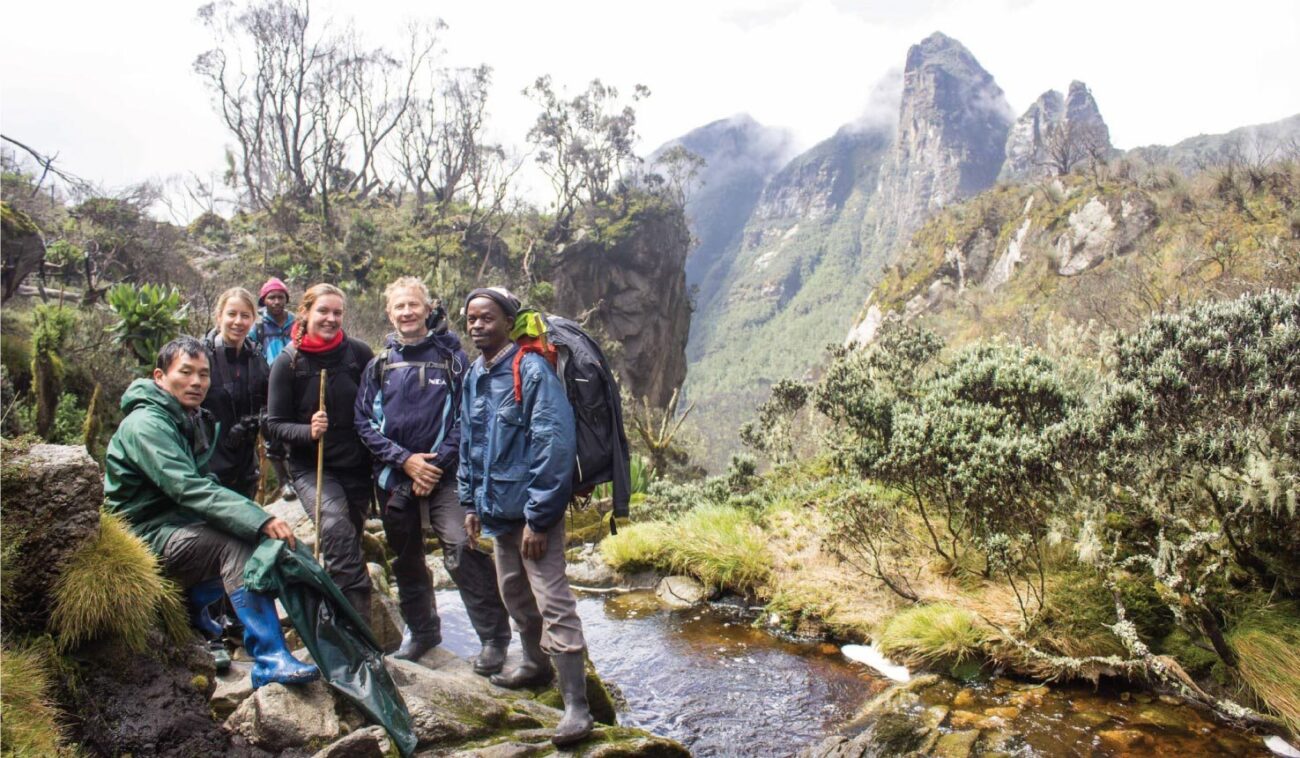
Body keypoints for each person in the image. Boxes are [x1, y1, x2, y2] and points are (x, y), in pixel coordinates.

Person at [103, 336, 318, 689]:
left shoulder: (187, 418)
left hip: (175, 526)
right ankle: (269, 656)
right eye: (185, 373)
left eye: (203, 374)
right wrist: (260, 518)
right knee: (236, 546)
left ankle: (197, 616)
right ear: (159, 376)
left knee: (248, 536)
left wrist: (250, 518)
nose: (197, 382)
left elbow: (204, 480)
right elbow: (187, 488)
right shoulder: (146, 425)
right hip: (140, 536)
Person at [457, 287, 594, 747]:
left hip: (533, 513)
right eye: (472, 319)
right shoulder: (475, 373)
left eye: (487, 318)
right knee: (513, 592)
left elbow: (553, 446)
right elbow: (469, 442)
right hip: (496, 510)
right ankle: (533, 664)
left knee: (552, 599)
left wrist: (539, 518)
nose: (477, 326)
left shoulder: (531, 369)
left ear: (508, 321)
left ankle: (577, 704)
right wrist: (470, 503)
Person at [354, 277, 513, 669]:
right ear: (389, 314)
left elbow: (468, 416)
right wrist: (405, 461)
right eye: (399, 307)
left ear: (428, 309)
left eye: (414, 305)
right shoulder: (379, 365)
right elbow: (363, 422)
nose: (407, 312)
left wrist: (434, 463)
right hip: (395, 477)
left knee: (461, 547)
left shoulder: (453, 359)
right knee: (406, 557)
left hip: (446, 475)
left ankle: (494, 638)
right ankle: (423, 631)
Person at [264, 283, 377, 625]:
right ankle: (359, 631)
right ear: (306, 313)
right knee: (336, 527)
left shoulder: (358, 354)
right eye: (323, 311)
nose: (330, 319)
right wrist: (308, 432)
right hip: (312, 466)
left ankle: (330, 612)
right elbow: (274, 424)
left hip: (357, 466)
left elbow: (379, 406)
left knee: (347, 542)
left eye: (337, 313)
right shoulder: (289, 362)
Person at [202, 287, 269, 499]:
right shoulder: (201, 357)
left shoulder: (257, 358)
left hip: (245, 468)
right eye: (232, 314)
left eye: (245, 315)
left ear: (253, 320)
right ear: (219, 316)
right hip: (207, 468)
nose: (238, 322)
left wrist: (254, 421)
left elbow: (270, 405)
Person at [252, 277, 298, 501]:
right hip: (267, 385)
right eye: (272, 297)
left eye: (280, 297)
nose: (277, 301)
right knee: (272, 432)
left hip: (294, 382)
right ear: (264, 300)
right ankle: (284, 482)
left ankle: (299, 478)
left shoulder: (296, 323)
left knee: (296, 431)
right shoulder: (257, 326)